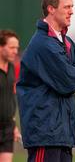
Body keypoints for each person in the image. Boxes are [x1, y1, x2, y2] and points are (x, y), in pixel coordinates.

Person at [16, 0, 75, 162]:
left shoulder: (66, 42)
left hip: (63, 134)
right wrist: (74, 73)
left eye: (72, 6)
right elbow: (68, 82)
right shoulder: (43, 44)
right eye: (67, 7)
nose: (72, 11)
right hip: (46, 133)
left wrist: (73, 72)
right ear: (51, 9)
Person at [0, 30, 21, 162]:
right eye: (11, 47)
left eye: (17, 48)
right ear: (1, 47)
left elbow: (11, 98)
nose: (15, 51)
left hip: (7, 127)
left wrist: (13, 125)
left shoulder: (12, 68)